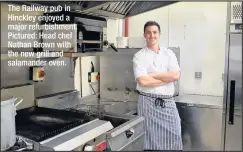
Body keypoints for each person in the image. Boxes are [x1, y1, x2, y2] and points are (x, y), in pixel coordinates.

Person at [132, 21, 183, 150]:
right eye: (148, 32)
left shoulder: (169, 54)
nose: (152, 35)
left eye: (154, 32)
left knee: (175, 133)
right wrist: (167, 78)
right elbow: (143, 81)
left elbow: (176, 76)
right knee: (149, 140)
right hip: (147, 103)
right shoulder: (139, 56)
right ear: (144, 35)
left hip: (168, 102)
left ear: (159, 34)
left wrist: (152, 75)